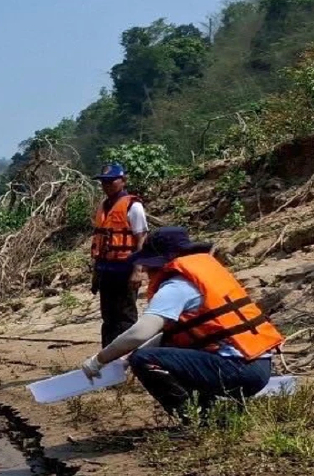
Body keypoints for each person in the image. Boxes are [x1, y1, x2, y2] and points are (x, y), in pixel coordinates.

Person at [80, 227, 283, 423]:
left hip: (239, 370)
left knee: (143, 359)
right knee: (162, 347)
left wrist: (100, 359)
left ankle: (200, 419)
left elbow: (140, 332)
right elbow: (168, 337)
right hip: (258, 366)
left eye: (149, 264)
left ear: (161, 262)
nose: (146, 270)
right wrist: (124, 359)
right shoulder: (205, 274)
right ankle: (215, 410)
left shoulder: (177, 286)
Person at [91, 163, 149, 347]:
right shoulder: (103, 206)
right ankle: (108, 357)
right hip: (105, 269)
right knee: (108, 317)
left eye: (111, 181)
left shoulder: (133, 206)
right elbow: (100, 241)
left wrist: (137, 270)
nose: (106, 185)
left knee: (125, 316)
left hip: (125, 269)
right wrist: (95, 273)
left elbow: (142, 238)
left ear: (123, 181)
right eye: (103, 182)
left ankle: (127, 356)